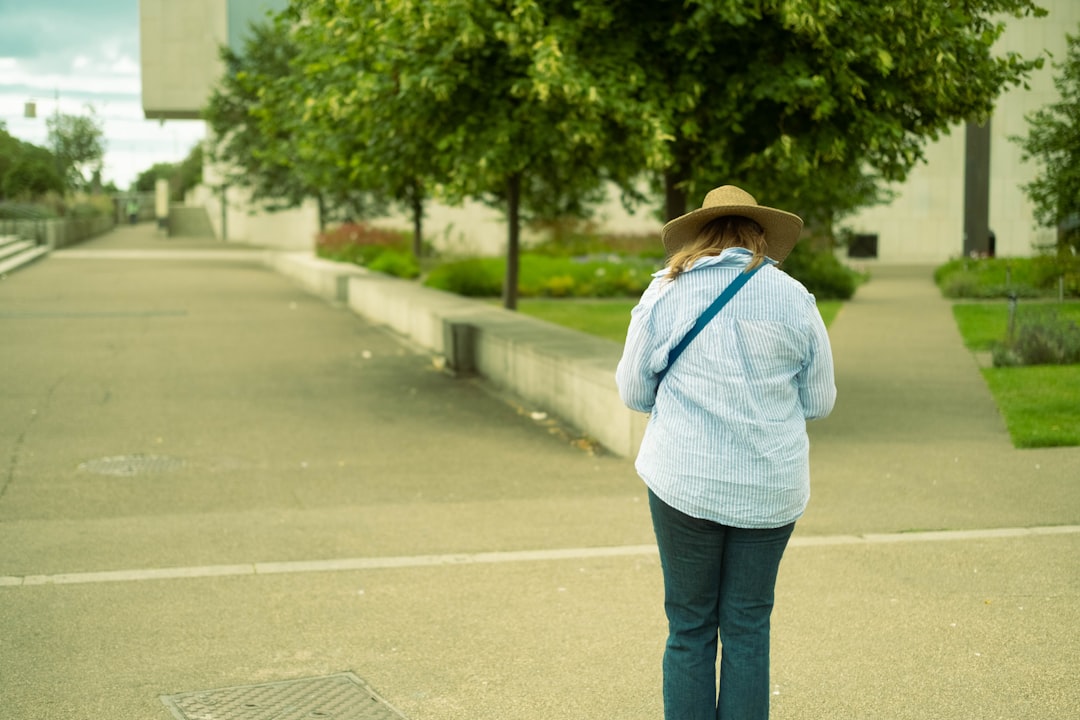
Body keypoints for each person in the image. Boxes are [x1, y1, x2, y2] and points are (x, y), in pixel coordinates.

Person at [616, 185, 836, 720]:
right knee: (747, 628)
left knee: (690, 625)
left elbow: (633, 392)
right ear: (759, 235)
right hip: (769, 487)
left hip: (685, 482)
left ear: (699, 234)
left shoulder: (665, 294)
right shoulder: (794, 299)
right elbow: (820, 400)